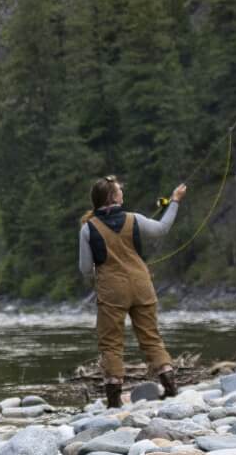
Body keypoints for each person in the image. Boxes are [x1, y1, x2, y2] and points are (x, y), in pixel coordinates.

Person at [79, 174, 187, 408]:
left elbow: (85, 268)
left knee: (111, 343)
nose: (123, 193)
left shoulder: (88, 229)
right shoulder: (134, 219)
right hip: (141, 284)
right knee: (151, 337)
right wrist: (175, 201)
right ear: (113, 197)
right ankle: (169, 386)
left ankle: (114, 401)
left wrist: (99, 272)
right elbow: (162, 229)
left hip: (112, 291)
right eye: (120, 190)